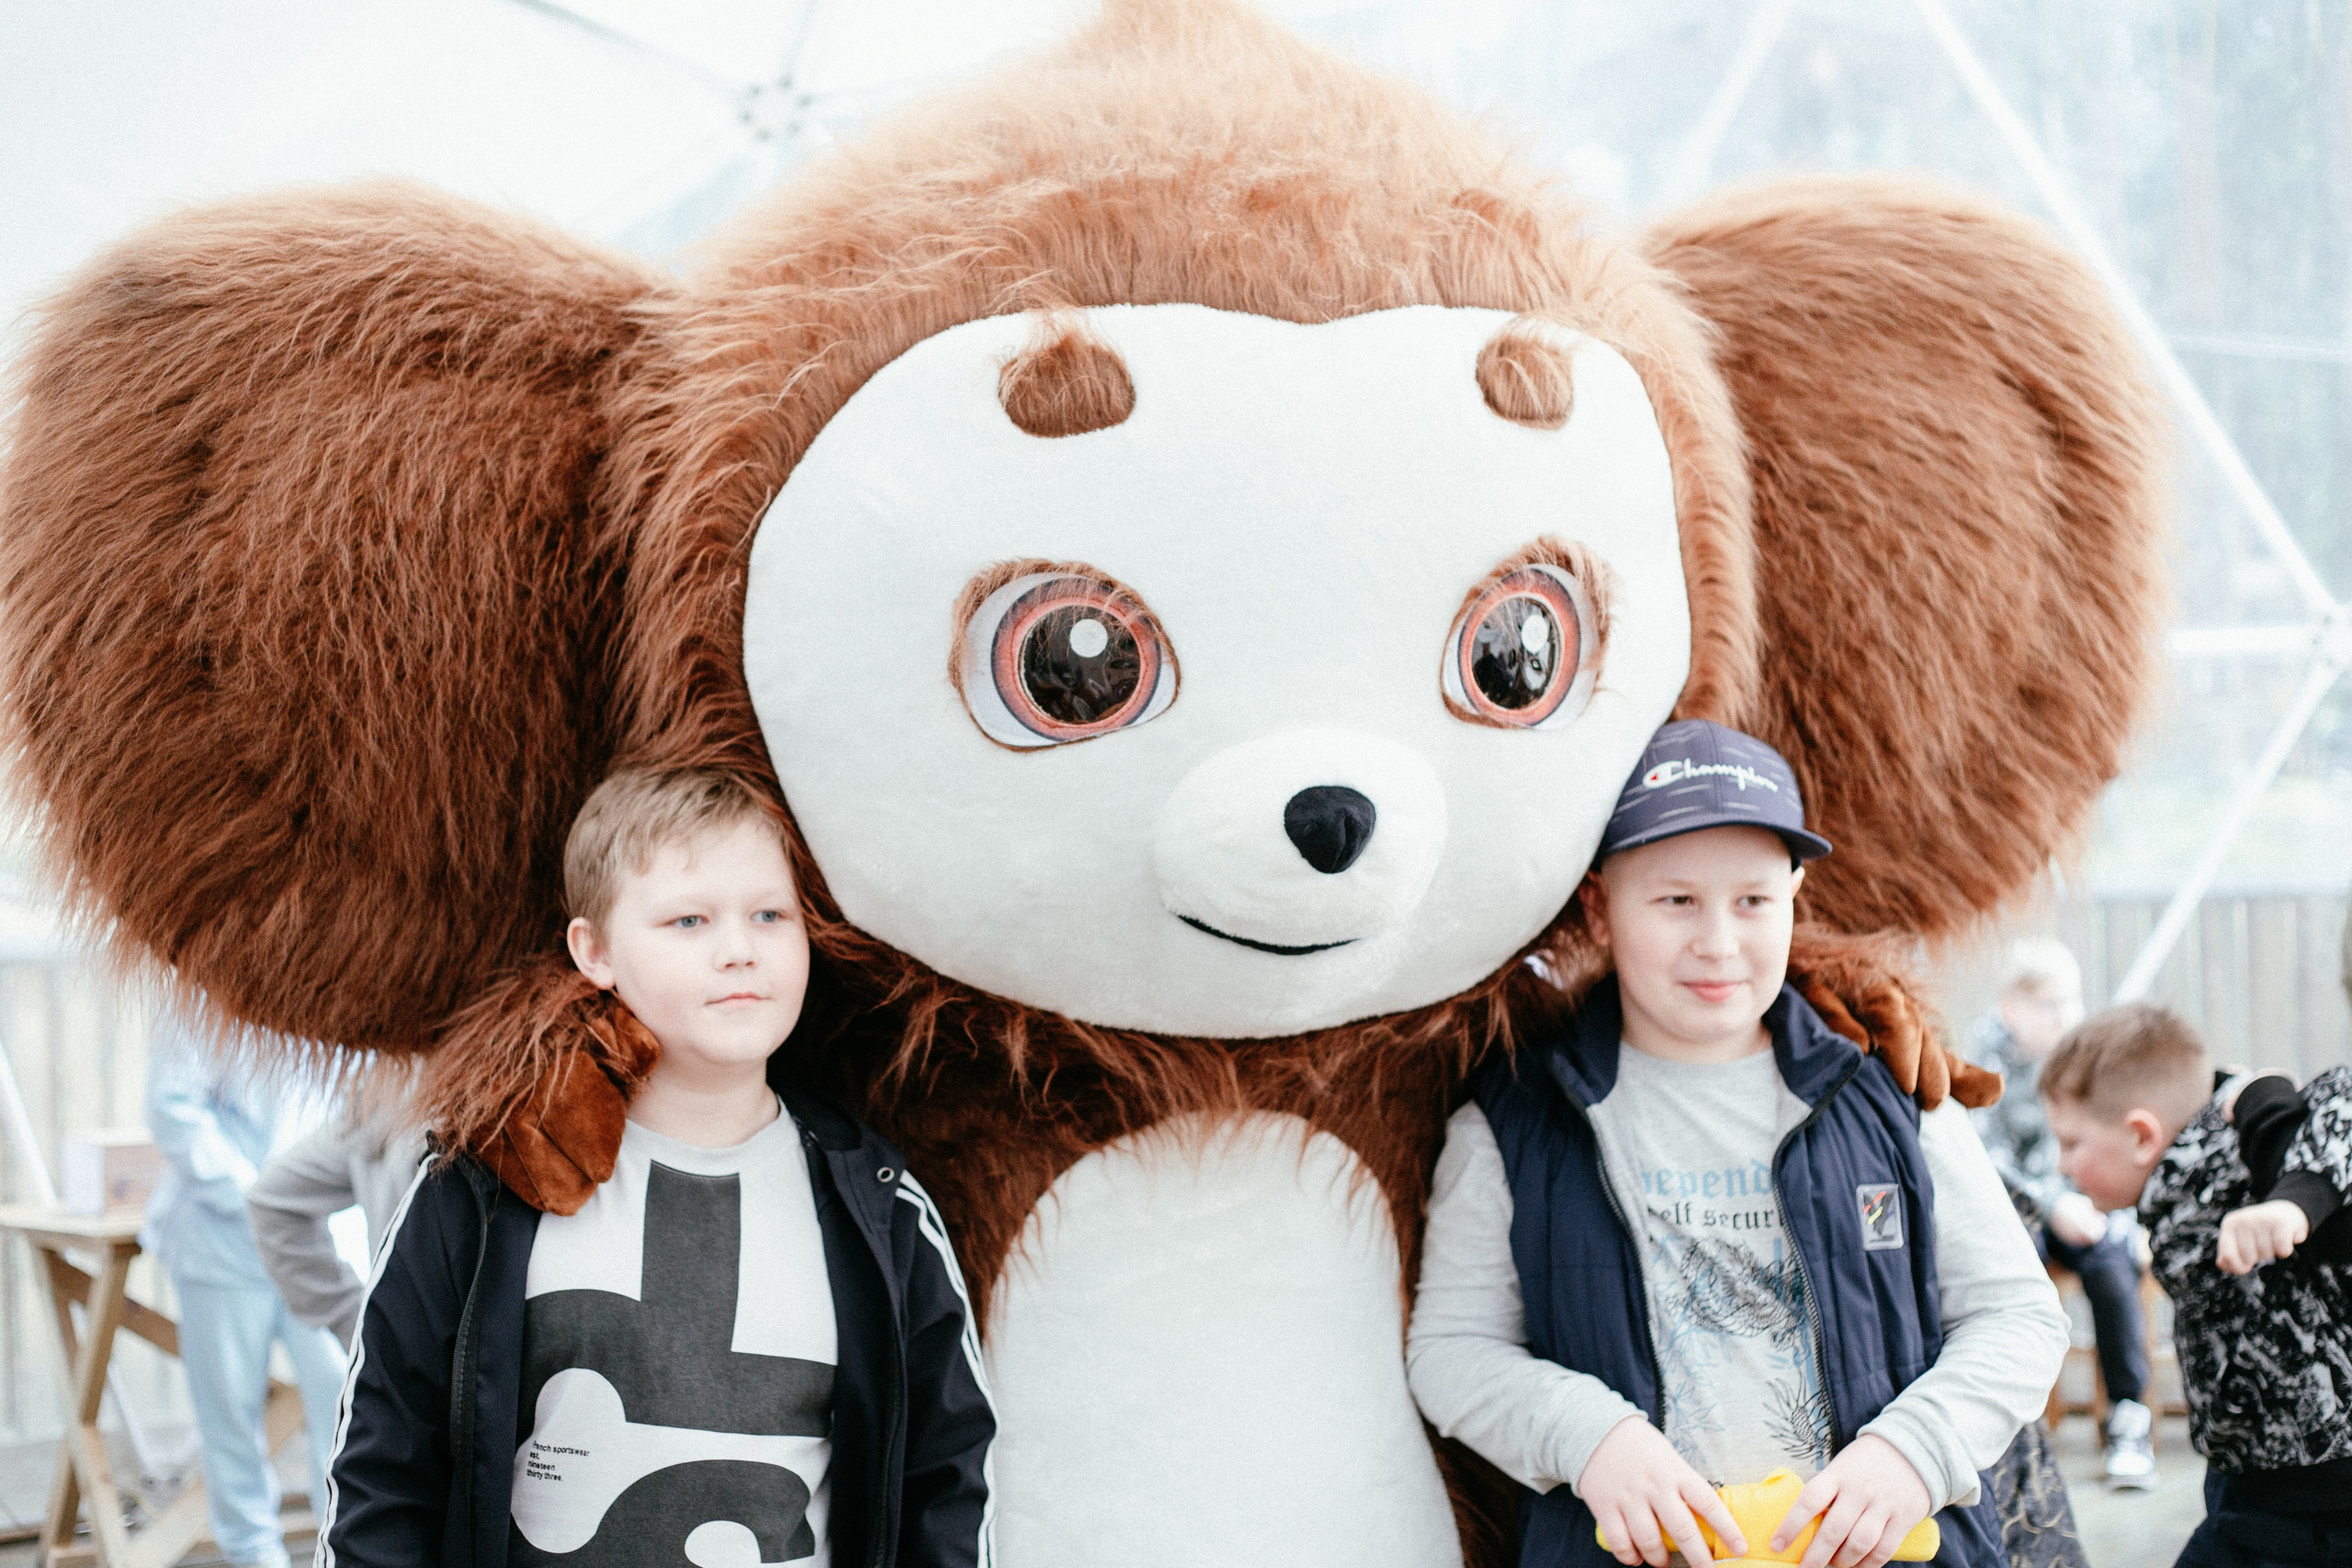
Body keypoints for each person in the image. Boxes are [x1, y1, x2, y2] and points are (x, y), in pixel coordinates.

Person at [1407, 719, 2069, 1568]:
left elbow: (2017, 1316)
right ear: (1599, 907)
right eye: (1676, 899)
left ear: (1795, 891)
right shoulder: (1513, 1120)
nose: (1718, 941)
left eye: (1753, 900)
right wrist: (1588, 1435)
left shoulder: (1895, 1090)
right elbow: (1451, 1352)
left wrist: (1914, 1449)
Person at [320, 766, 995, 1568]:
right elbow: (383, 1476)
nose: (739, 950)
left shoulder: (878, 1206)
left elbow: (946, 1482)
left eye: (770, 914)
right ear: (594, 950)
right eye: (688, 920)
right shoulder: (487, 1184)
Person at [2042, 1004, 2352, 1568]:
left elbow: (2342, 1101)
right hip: (2246, 1473)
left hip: (2313, 1493)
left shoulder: (2225, 1157)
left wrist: (2263, 1098)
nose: (2062, 1166)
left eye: (2071, 1144)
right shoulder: (2173, 1188)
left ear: (2142, 1137)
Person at [144, 1017, 352, 1568]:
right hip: (223, 1239)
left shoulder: (345, 984)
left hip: (321, 1235)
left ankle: (343, 1547)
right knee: (231, 1415)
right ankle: (254, 1556)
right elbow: (172, 1107)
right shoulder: (202, 993)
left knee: (345, 1399)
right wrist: (262, 1200)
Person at [1967, 940, 2154, 1489]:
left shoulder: (2085, 1058)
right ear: (2012, 1009)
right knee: (2002, 1281)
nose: (2067, 1015)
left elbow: (2108, 1141)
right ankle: (2005, 1431)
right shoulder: (1982, 1067)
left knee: (2114, 1262)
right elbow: (1981, 1161)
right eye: (2051, 1003)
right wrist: (2051, 1205)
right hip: (2014, 1217)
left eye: (2072, 1000)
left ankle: (2127, 1418)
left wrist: (2093, 1202)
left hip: (2084, 1205)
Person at [247, 1089, 429, 1346]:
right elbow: (271, 1200)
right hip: (424, 1351)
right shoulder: (389, 1094)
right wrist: (363, 1330)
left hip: (444, 1352)